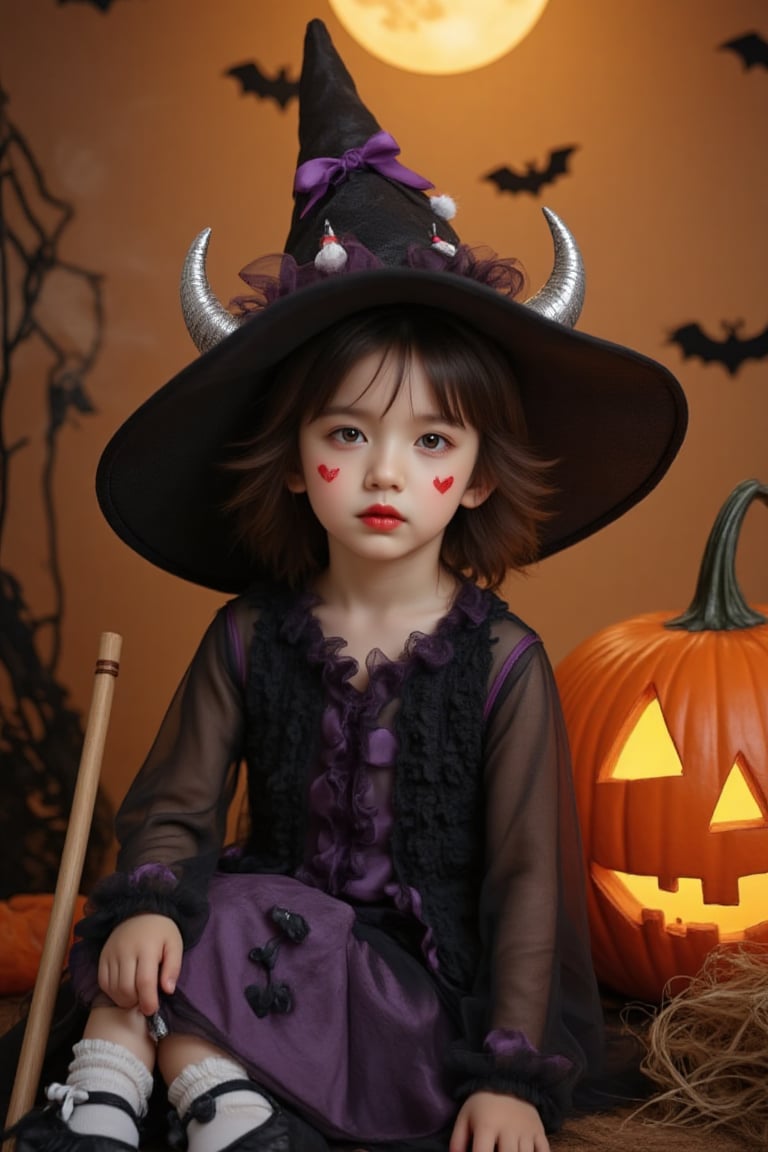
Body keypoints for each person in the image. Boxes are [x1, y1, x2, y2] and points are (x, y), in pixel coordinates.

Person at [5, 18, 688, 1152]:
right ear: (292, 461)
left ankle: (180, 1073)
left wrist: (510, 1071)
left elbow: (529, 890)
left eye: (432, 442)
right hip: (250, 953)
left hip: (408, 1005)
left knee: (229, 917)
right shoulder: (250, 637)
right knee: (192, 901)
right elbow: (170, 802)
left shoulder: (502, 664)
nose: (386, 473)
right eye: (348, 433)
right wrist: (151, 897)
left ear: (474, 476)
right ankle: (138, 1093)